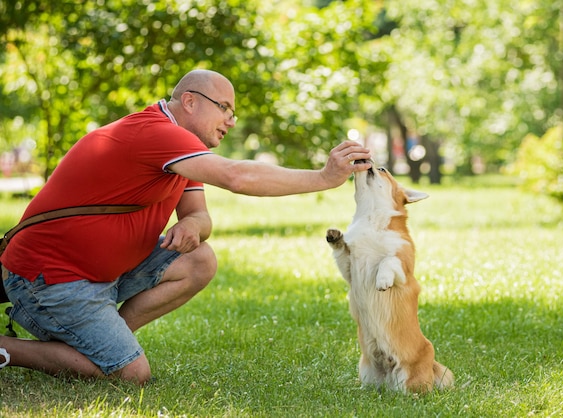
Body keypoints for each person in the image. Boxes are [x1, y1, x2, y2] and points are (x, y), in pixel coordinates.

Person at [0, 69, 371, 385]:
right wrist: (324, 177)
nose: (232, 120)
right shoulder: (157, 134)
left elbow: (200, 216)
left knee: (200, 260)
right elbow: (238, 177)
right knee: (131, 374)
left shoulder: (182, 152)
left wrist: (193, 225)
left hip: (97, 277)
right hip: (47, 280)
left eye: (233, 112)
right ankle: (11, 350)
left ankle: (103, 343)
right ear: (190, 102)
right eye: (224, 108)